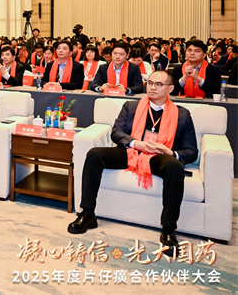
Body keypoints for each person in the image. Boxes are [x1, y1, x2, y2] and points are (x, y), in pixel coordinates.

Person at [68, 70, 196, 257]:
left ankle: (168, 229)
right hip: (131, 151)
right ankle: (87, 214)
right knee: (94, 154)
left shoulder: (182, 114)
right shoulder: (131, 106)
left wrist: (171, 152)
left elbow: (191, 151)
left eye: (159, 84)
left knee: (174, 166)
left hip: (160, 156)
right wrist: (136, 143)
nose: (153, 87)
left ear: (170, 89)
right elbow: (116, 133)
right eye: (150, 83)